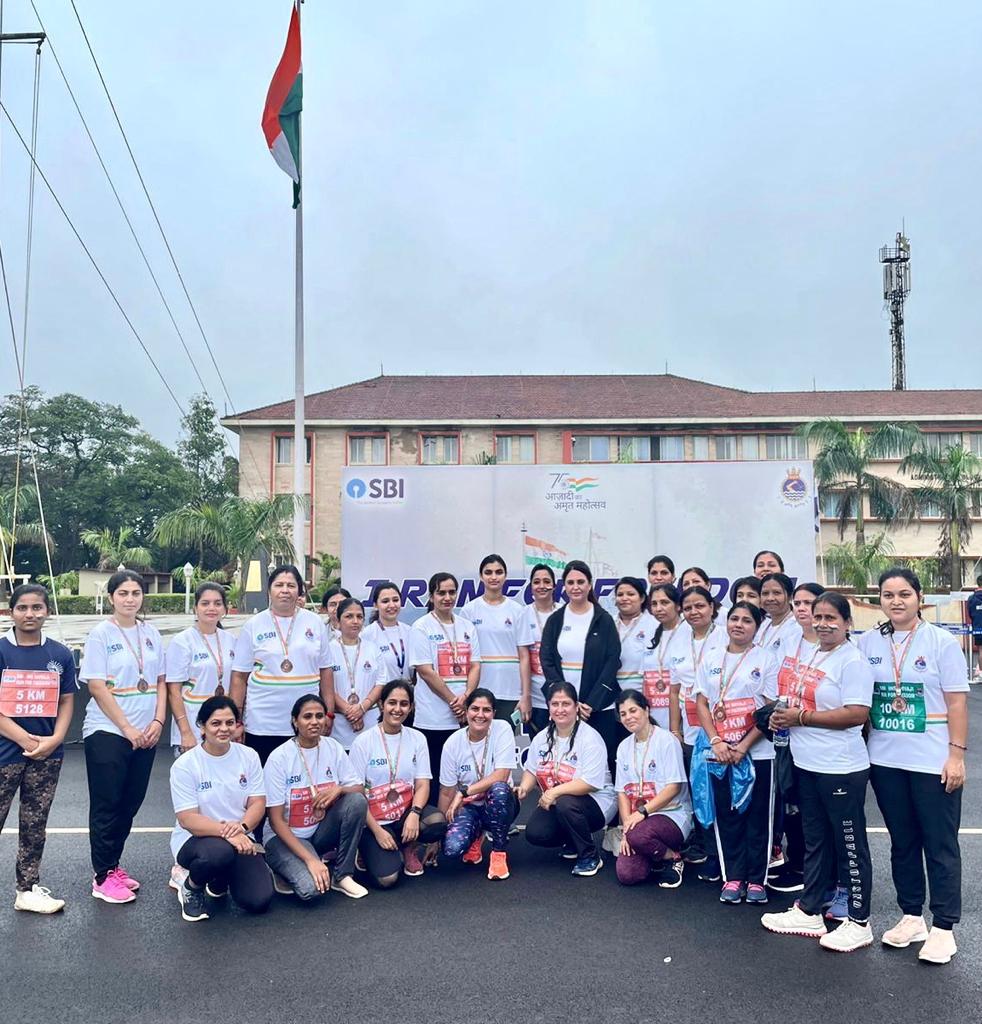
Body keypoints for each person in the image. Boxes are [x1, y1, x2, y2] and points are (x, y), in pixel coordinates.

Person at [857, 567, 969, 965]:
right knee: (902, 842)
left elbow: (957, 702)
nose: (896, 601)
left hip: (932, 760)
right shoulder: (869, 642)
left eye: (904, 593)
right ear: (880, 601)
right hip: (885, 760)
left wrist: (956, 755)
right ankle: (911, 916)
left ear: (919, 597)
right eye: (888, 595)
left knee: (939, 843)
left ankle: (943, 927)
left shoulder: (941, 642)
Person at [761, 592, 876, 953]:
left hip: (840, 768)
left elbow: (857, 714)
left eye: (832, 618)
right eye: (818, 616)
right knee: (815, 840)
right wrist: (783, 714)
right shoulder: (811, 652)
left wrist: (802, 718)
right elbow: (797, 700)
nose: (823, 623)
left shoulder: (852, 661)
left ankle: (859, 921)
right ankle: (810, 910)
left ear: (847, 623)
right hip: (806, 763)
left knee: (850, 844)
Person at [80, 569, 166, 905]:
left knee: (130, 803)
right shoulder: (101, 634)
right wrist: (127, 728)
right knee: (107, 804)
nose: (130, 599)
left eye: (136, 593)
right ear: (112, 597)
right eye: (123, 593)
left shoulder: (151, 633)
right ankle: (101, 877)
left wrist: (159, 720)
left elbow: (160, 681)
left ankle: (113, 865)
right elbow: (97, 686)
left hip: (146, 732)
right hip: (108, 731)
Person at [695, 601, 778, 905]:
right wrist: (716, 741)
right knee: (727, 816)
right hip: (719, 751)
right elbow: (702, 702)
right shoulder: (711, 658)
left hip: (757, 752)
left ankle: (757, 880)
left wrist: (743, 746)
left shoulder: (767, 659)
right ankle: (733, 877)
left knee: (757, 817)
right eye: (734, 619)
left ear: (757, 627)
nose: (739, 624)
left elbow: (770, 708)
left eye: (747, 620)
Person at [0, 584, 75, 913]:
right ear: (11, 611)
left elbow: (67, 699)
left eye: (37, 608)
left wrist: (56, 739)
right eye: (23, 608)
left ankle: (26, 889)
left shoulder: (60, 654)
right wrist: (24, 739)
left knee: (34, 824)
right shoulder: (1, 650)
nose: (30, 614)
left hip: (47, 754)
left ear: (47, 611)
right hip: (6, 752)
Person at [169, 696, 272, 921]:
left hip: (239, 837)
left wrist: (242, 828)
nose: (224, 729)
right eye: (216, 723)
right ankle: (191, 886)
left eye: (229, 722)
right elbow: (188, 819)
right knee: (217, 853)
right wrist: (231, 835)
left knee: (258, 900)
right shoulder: (186, 765)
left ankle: (218, 879)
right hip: (197, 841)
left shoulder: (249, 756)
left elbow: (257, 803)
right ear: (202, 726)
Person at [263, 695, 369, 901]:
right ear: (295, 721)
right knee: (311, 890)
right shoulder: (279, 757)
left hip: (319, 832)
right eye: (307, 716)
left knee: (356, 802)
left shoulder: (333, 747)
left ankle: (342, 875)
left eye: (319, 716)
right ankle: (278, 866)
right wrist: (310, 860)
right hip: (285, 837)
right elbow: (275, 820)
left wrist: (339, 789)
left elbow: (358, 789)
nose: (314, 722)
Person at [230, 565, 334, 765]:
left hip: (307, 721)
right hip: (263, 721)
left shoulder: (314, 623)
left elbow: (326, 671)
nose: (285, 590)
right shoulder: (254, 625)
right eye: (279, 585)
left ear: (300, 591)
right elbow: (239, 676)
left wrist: (328, 713)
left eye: (291, 585)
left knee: (304, 779)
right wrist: (237, 720)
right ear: (269, 591)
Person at [348, 681, 447, 885]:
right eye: (392, 703)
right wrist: (377, 831)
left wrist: (415, 813)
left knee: (437, 821)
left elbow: (422, 784)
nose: (397, 709)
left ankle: (409, 846)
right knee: (388, 879)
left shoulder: (418, 738)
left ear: (411, 708)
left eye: (404, 704)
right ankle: (366, 848)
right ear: (381, 705)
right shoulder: (363, 742)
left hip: (404, 813)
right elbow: (355, 796)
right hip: (374, 820)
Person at [518, 681, 617, 876]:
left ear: (576, 706)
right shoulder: (542, 737)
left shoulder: (590, 738)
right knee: (536, 833)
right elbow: (531, 770)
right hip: (560, 800)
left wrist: (554, 792)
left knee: (565, 803)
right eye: (555, 704)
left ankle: (590, 856)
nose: (560, 709)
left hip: (597, 802)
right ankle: (573, 841)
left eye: (566, 704)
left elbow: (589, 783)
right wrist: (523, 789)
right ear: (548, 707)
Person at [767, 581, 825, 896]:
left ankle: (817, 874)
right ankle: (796, 863)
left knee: (813, 811)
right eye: (798, 603)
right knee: (791, 802)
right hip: (788, 737)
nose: (802, 608)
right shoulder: (791, 642)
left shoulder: (832, 644)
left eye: (809, 602)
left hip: (819, 739)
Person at [539, 561, 621, 771]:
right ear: (563, 587)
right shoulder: (556, 620)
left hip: (598, 707)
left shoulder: (604, 619)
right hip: (565, 707)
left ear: (590, 585)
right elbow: (546, 658)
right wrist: (566, 701)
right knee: (567, 764)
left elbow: (613, 660)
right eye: (571, 582)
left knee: (603, 763)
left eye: (581, 582)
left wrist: (590, 703)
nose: (576, 587)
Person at [613, 689, 692, 888]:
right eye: (623, 714)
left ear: (646, 710)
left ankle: (674, 858)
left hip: (672, 814)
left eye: (633, 710)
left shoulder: (666, 741)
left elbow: (673, 787)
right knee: (627, 874)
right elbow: (622, 792)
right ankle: (655, 854)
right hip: (639, 821)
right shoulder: (623, 746)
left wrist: (641, 813)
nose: (629, 717)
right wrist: (625, 830)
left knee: (639, 835)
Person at [438, 688, 518, 880]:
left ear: (494, 714)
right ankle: (476, 834)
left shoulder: (502, 729)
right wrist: (437, 835)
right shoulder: (452, 744)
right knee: (451, 849)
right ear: (466, 711)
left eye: (487, 710)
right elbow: (447, 791)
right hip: (471, 808)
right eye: (475, 709)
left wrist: (464, 792)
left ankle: (498, 853)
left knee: (499, 789)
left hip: (501, 803)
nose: (480, 715)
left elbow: (502, 774)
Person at [675, 585, 726, 879]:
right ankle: (708, 851)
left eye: (700, 606)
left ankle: (724, 854)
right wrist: (675, 728)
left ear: (712, 607)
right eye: (689, 607)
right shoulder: (681, 641)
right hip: (692, 733)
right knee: (699, 795)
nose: (694, 612)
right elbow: (675, 691)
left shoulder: (724, 637)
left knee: (721, 794)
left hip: (719, 730)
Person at [408, 572, 482, 775]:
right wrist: (454, 702)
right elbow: (425, 671)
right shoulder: (421, 627)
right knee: (434, 772)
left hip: (463, 714)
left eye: (451, 592)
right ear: (432, 596)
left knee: (462, 772)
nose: (447, 598)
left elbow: (475, 665)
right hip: (433, 717)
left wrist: (466, 697)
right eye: (441, 593)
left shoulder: (466, 626)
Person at [166, 583, 236, 756]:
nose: (211, 608)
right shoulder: (182, 641)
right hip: (193, 728)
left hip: (223, 730)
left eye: (217, 603)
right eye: (205, 603)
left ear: (224, 608)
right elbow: (173, 691)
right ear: (195, 608)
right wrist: (186, 732)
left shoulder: (231, 640)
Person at [460, 554, 531, 724]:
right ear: (481, 576)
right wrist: (466, 692)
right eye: (488, 572)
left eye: (498, 572)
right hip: (479, 691)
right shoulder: (469, 611)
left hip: (510, 691)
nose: (493, 577)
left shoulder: (517, 610)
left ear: (505, 576)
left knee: (505, 744)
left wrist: (526, 695)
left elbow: (524, 656)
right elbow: (463, 656)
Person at [327, 598, 385, 750]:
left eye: (359, 617)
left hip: (369, 720)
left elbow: (381, 682)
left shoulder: (373, 649)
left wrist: (362, 708)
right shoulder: (328, 650)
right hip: (339, 725)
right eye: (349, 616)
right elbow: (326, 687)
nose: (355, 621)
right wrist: (349, 711)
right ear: (338, 621)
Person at [519, 563, 559, 735]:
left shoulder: (564, 612)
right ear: (531, 587)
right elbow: (524, 657)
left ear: (554, 585)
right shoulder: (523, 614)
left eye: (546, 581)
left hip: (562, 694)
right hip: (535, 696)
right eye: (536, 582)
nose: (541, 586)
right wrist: (526, 697)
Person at [641, 583, 686, 733]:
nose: (659, 608)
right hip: (654, 713)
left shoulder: (688, 632)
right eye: (654, 604)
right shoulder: (651, 634)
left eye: (665, 602)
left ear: (678, 606)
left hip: (682, 715)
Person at [613, 576, 657, 697]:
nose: (624, 598)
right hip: (609, 694)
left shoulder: (654, 625)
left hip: (643, 692)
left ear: (642, 598)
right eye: (620, 595)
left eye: (631, 594)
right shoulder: (608, 623)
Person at [362, 581, 414, 683]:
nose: (392, 605)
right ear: (375, 605)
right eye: (385, 601)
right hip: (381, 695)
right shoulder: (368, 634)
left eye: (395, 600)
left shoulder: (410, 631)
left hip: (407, 694)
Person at [756, 573, 798, 654]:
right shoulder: (763, 625)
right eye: (765, 593)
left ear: (790, 596)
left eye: (776, 593)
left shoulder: (796, 628)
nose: (770, 598)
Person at [967, 575, 982, 681]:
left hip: (978, 627)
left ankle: (981, 674)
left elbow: (970, 613)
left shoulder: (972, 598)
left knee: (981, 650)